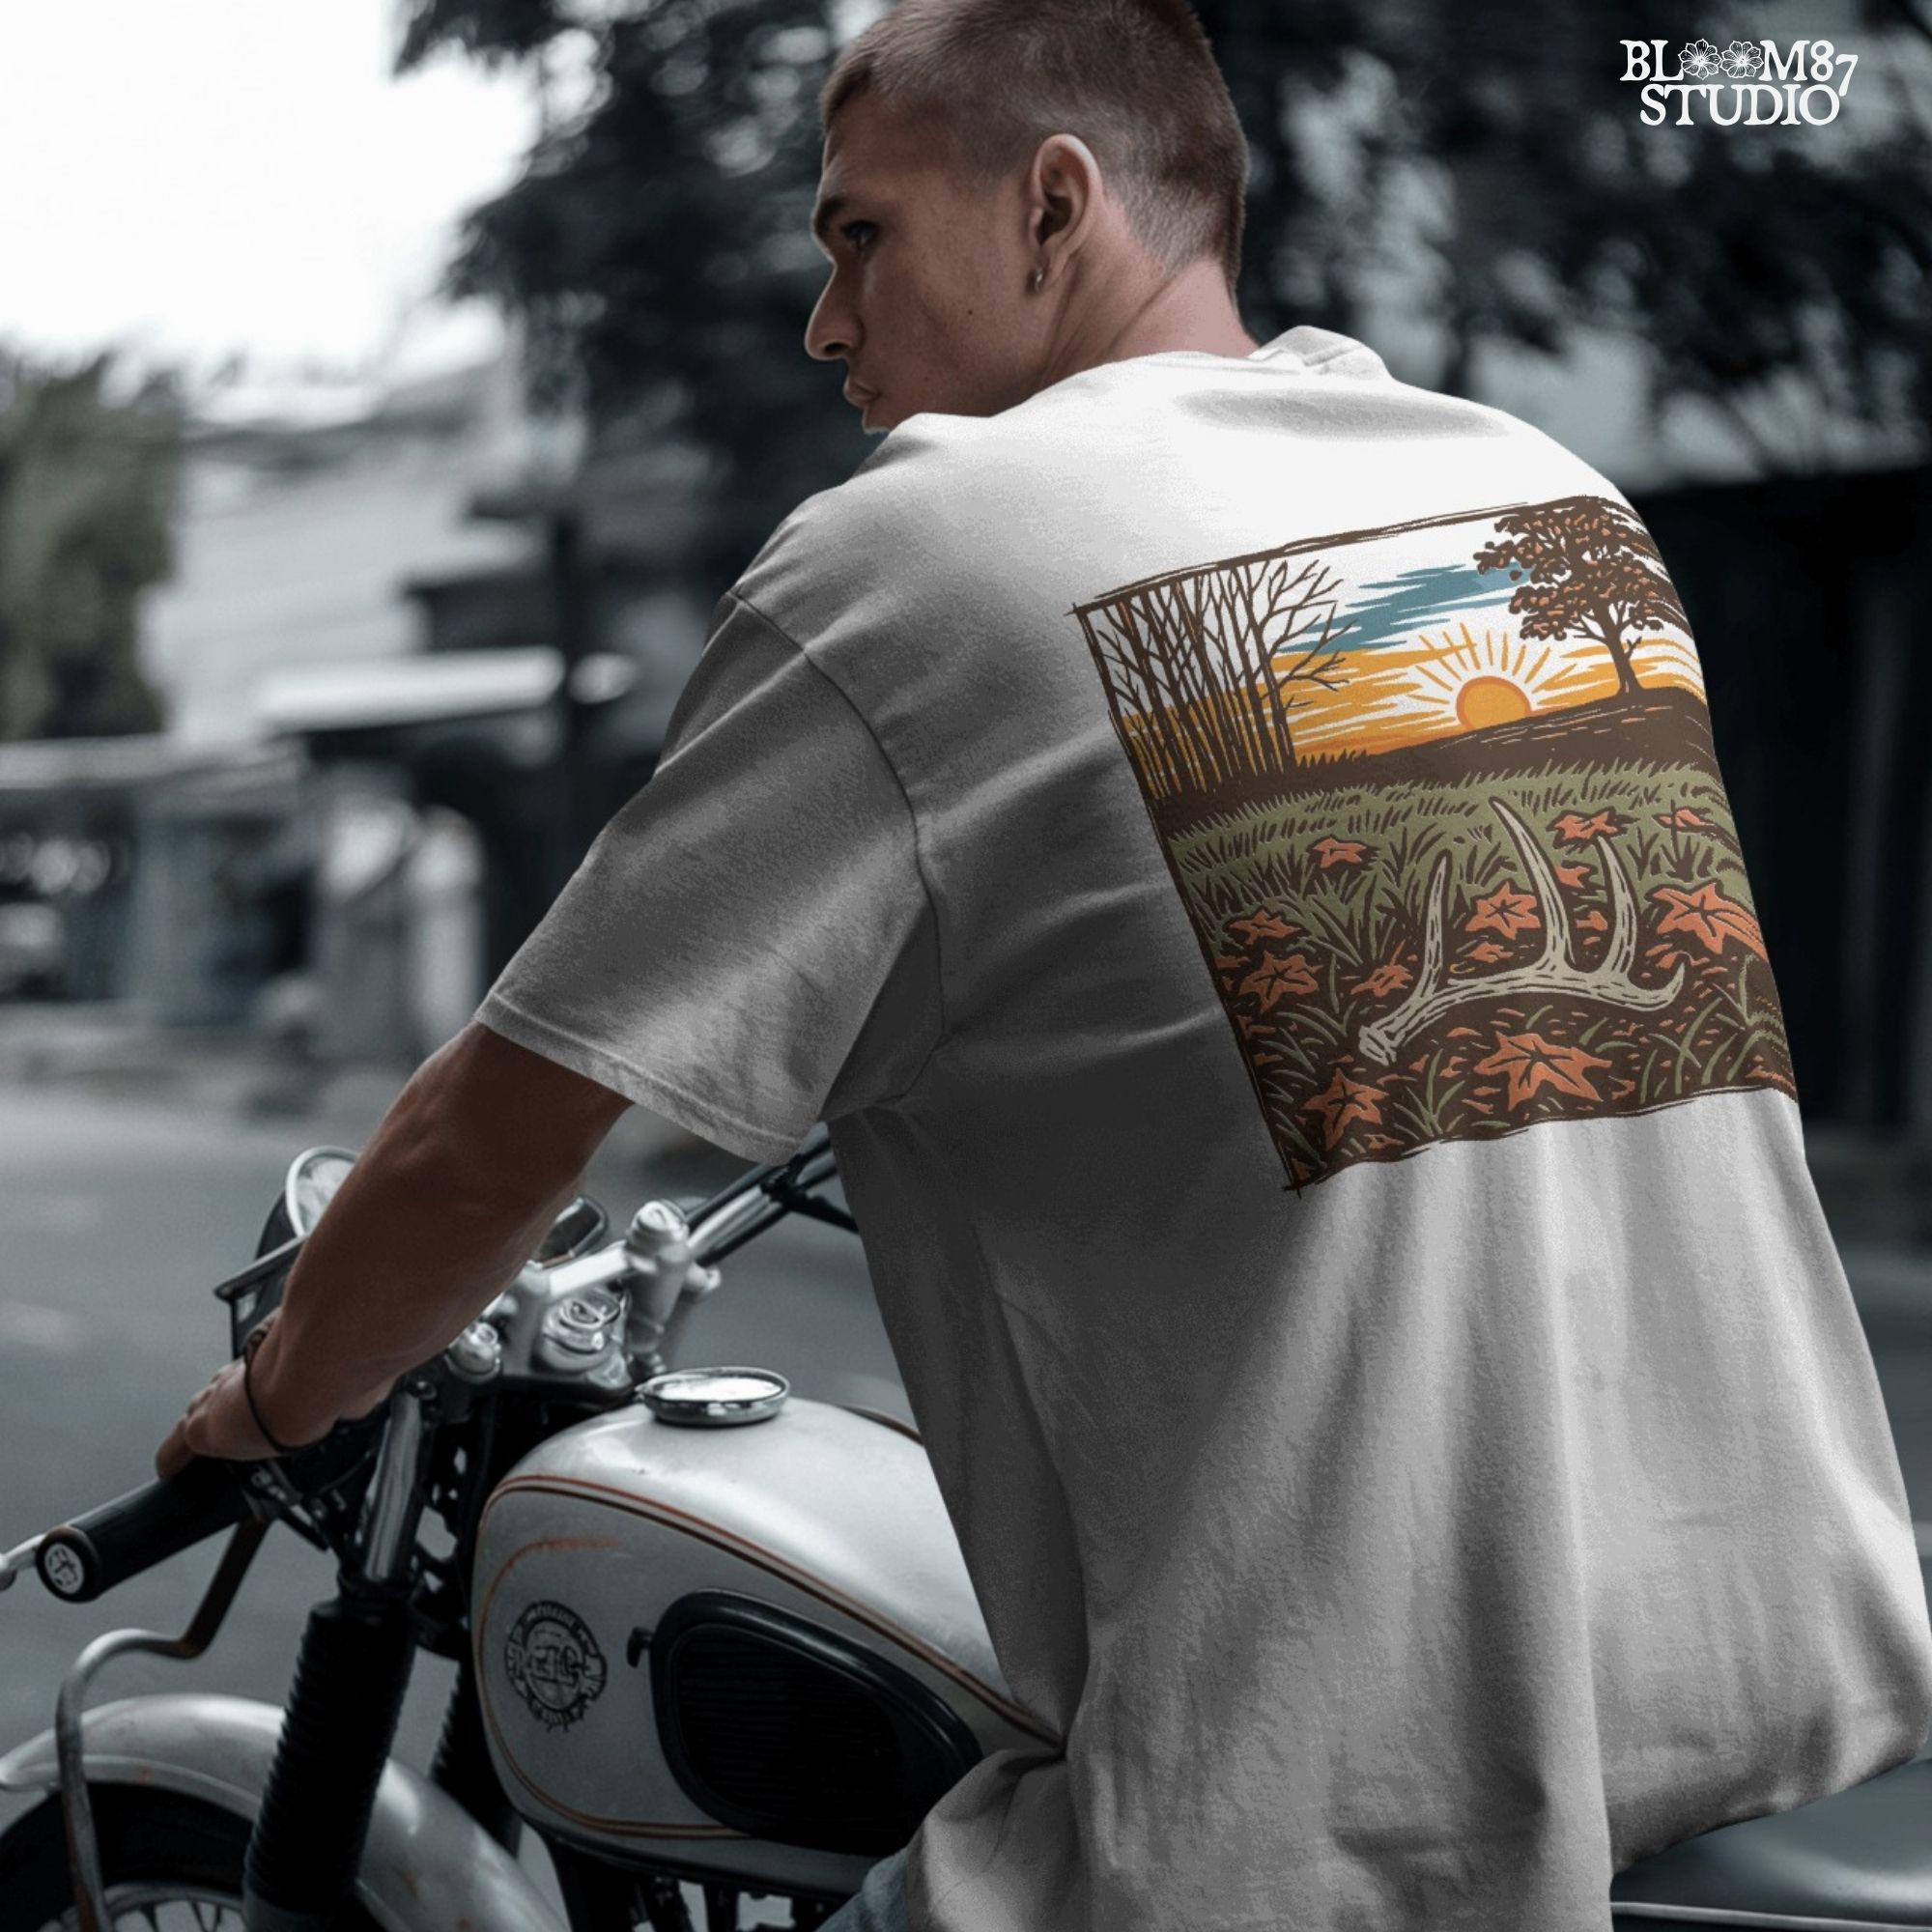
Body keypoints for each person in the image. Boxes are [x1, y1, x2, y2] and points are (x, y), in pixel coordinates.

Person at [156, 1, 1932, 1926]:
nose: (829, 327)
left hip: (1337, 1819)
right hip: (1779, 1686)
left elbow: (491, 1141)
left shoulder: (922, 560)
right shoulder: (1542, 503)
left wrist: (275, 1396)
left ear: (1050, 206)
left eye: (858, 238)